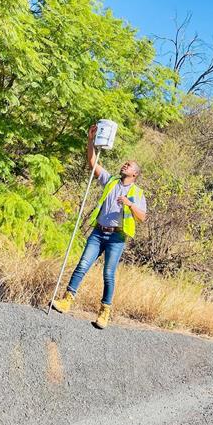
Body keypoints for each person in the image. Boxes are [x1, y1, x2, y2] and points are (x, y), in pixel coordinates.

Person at [52, 124, 147, 328]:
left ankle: (104, 312)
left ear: (135, 174)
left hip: (116, 237)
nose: (125, 165)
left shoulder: (138, 193)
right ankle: (67, 300)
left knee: (108, 274)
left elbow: (142, 217)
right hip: (98, 232)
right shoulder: (111, 181)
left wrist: (130, 204)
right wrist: (90, 140)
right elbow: (92, 162)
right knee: (83, 265)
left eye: (129, 165)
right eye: (125, 163)